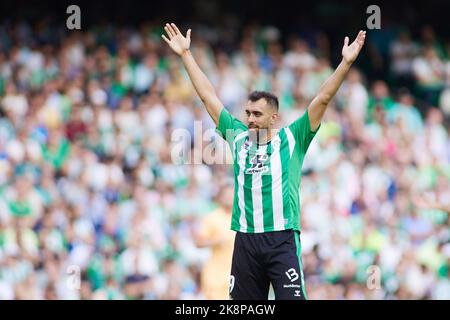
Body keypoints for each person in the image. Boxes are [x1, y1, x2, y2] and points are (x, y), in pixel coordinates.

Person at [162, 22, 366, 300]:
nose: (250, 119)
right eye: (247, 113)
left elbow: (323, 98)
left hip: (281, 239)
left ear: (273, 118)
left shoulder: (293, 138)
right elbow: (207, 96)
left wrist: (345, 63)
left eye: (257, 114)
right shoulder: (237, 137)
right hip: (246, 239)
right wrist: (186, 55)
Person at [194, 182, 235, 299]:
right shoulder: (212, 217)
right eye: (225, 194)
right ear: (220, 197)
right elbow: (198, 242)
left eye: (231, 194)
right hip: (215, 275)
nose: (228, 197)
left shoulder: (240, 217)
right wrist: (215, 241)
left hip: (235, 274)